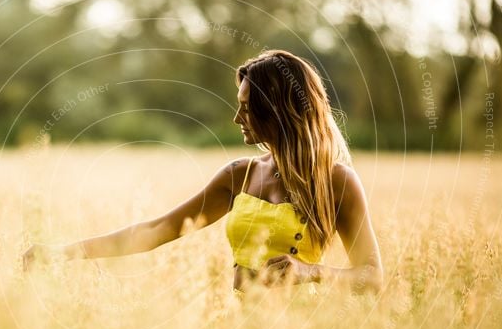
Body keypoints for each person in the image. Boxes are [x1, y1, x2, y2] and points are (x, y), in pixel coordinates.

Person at [22, 49, 383, 297]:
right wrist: (60, 253)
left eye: (246, 107)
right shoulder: (238, 176)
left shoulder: (337, 182)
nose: (237, 118)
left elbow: (373, 277)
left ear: (276, 111)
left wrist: (310, 271)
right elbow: (153, 231)